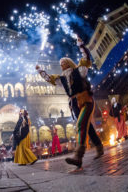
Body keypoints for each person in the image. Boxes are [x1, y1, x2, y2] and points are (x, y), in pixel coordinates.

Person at [36, 36, 103, 169]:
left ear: (69, 63)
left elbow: (86, 58)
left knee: (81, 125)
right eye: (61, 64)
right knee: (87, 127)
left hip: (85, 100)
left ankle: (78, 156)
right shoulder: (61, 78)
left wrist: (81, 45)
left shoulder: (79, 70)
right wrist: (40, 71)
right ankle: (100, 148)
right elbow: (49, 78)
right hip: (74, 104)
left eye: (64, 63)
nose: (62, 65)